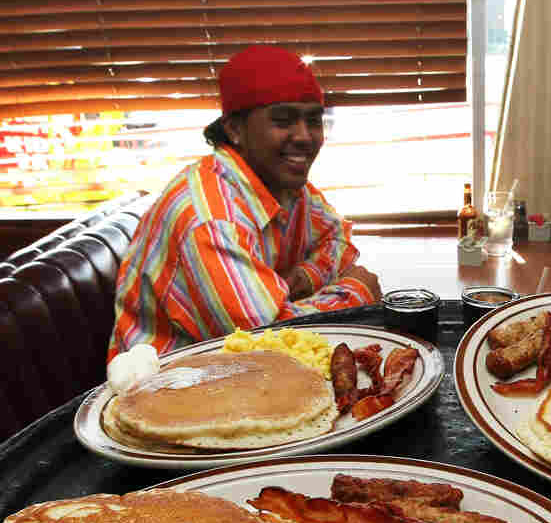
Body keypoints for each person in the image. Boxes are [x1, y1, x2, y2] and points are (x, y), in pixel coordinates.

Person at [108, 45, 381, 361]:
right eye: (283, 120)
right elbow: (268, 344)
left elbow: (338, 239)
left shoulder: (280, 183)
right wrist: (356, 293)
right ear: (235, 129)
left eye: (314, 120)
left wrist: (301, 280)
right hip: (166, 388)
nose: (306, 137)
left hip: (236, 375)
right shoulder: (210, 220)